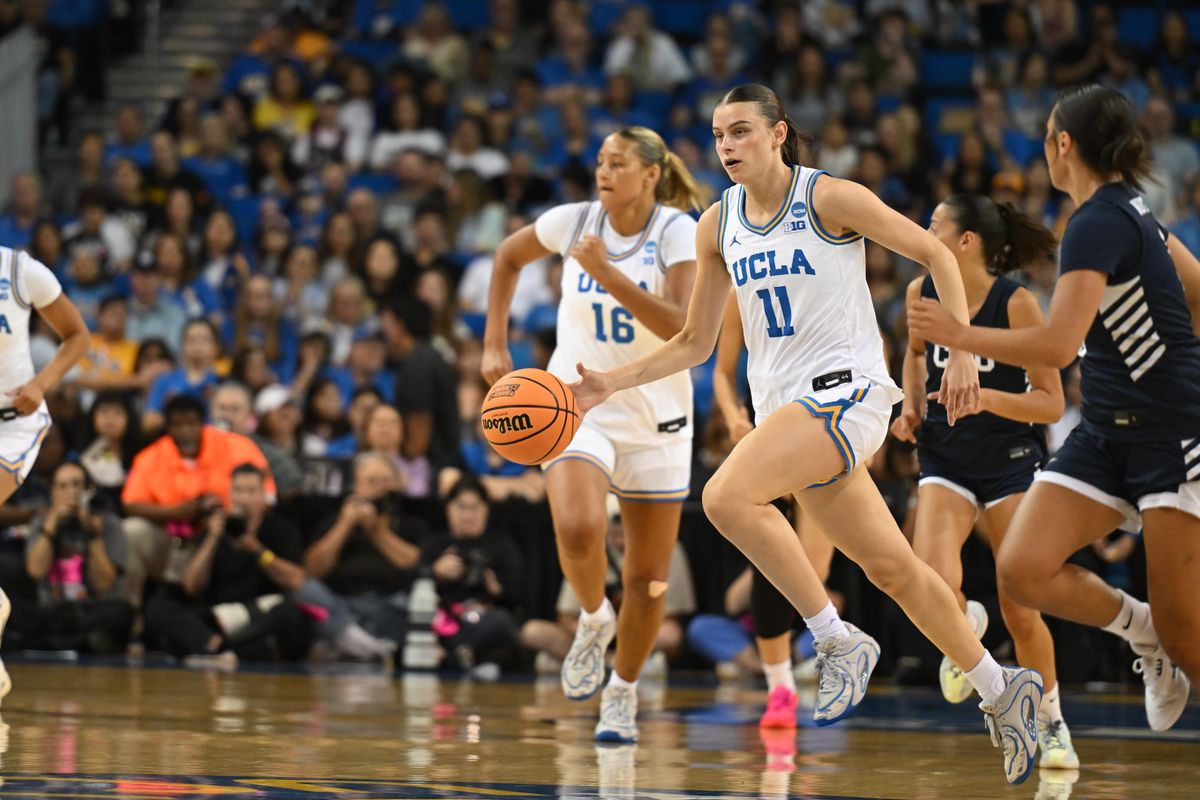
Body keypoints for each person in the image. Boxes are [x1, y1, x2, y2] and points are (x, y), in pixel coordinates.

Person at [572, 85, 1041, 785]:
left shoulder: (830, 199)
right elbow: (697, 342)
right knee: (896, 572)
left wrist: (966, 346)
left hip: (847, 395)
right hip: (789, 414)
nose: (727, 145)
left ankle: (834, 640)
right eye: (718, 134)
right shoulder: (716, 224)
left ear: (779, 134)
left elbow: (937, 257)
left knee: (728, 497)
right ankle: (1005, 692)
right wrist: (615, 380)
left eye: (741, 131)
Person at [910, 84, 1200, 733]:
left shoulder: (1099, 220)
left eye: (1045, 135)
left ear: (1061, 145)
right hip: (1104, 433)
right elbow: (1198, 292)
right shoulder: (1133, 211)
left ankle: (1163, 642)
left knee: (1194, 644)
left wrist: (958, 337)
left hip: (1165, 436)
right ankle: (1141, 630)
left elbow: (1059, 344)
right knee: (1020, 571)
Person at [483, 126, 707, 743]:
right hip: (578, 402)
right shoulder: (574, 221)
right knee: (579, 527)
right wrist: (494, 341)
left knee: (648, 579)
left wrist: (608, 276)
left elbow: (682, 330)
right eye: (600, 162)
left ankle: (624, 692)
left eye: (618, 163)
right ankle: (590, 618)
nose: (604, 173)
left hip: (656, 416)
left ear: (651, 174)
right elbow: (506, 257)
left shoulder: (676, 233)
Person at [892, 193, 1078, 769]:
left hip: (1010, 458)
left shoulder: (1016, 302)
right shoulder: (919, 292)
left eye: (934, 225)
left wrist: (982, 398)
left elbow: (1050, 404)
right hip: (946, 455)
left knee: (1021, 608)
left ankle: (1052, 723)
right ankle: (968, 631)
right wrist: (912, 404)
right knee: (929, 581)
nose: (924, 232)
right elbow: (916, 357)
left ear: (965, 240)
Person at [710, 291, 837, 728]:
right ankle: (780, 685)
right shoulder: (740, 288)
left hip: (828, 423)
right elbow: (723, 373)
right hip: (771, 429)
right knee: (773, 568)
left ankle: (838, 646)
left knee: (815, 570)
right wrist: (732, 417)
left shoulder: (823, 264)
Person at [143, 463, 312, 664]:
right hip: (218, 617)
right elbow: (191, 586)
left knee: (290, 613)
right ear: (230, 495)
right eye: (238, 491)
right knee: (157, 607)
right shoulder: (216, 529)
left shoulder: (281, 528)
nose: (244, 498)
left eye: (251, 491)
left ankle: (217, 649)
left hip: (259, 615)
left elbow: (296, 580)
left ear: (263, 495)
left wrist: (258, 551)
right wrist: (212, 539)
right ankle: (218, 647)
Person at [421, 475, 524, 675]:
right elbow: (409, 584)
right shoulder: (435, 544)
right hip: (443, 620)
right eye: (461, 507)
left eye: (474, 508)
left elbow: (518, 594)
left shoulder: (502, 545)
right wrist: (435, 572)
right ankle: (466, 657)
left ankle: (453, 657)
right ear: (448, 508)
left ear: (486, 510)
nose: (468, 515)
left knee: (502, 622)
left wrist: (496, 589)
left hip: (484, 619)